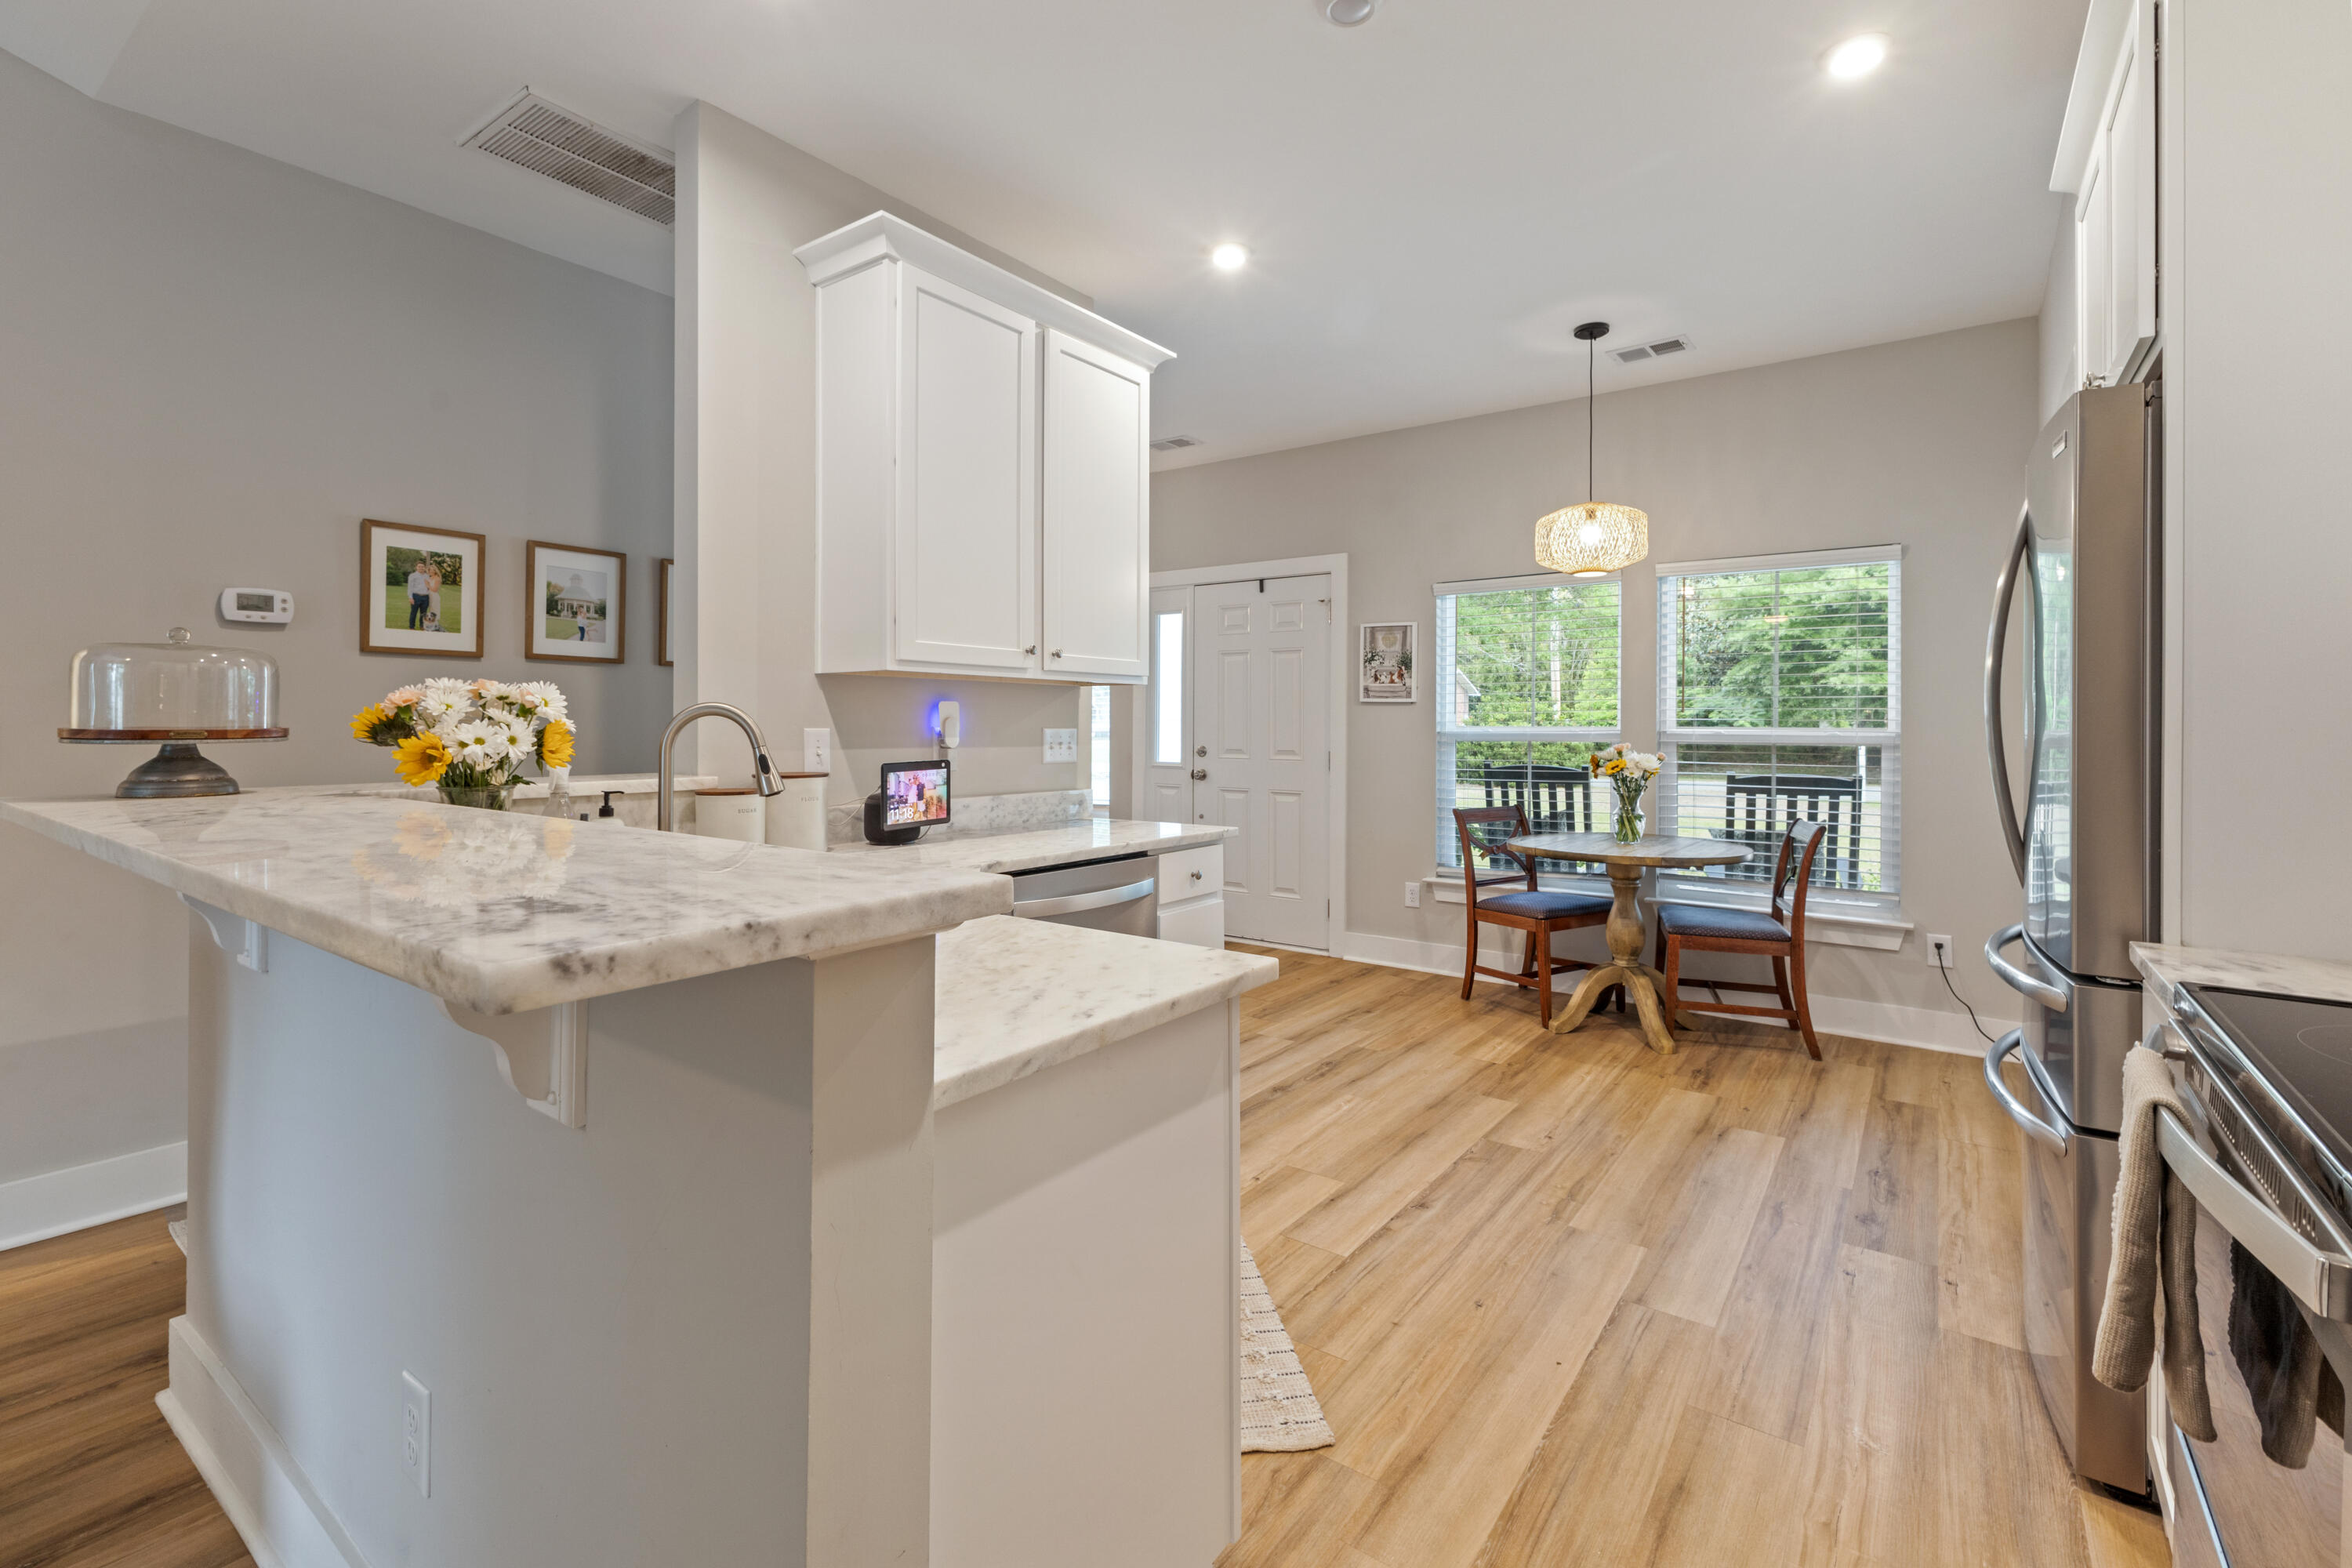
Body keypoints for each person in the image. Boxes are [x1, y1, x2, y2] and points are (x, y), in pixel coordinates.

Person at [405, 560, 433, 629]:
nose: (421, 568)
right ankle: (412, 627)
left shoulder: (427, 576)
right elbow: (410, 588)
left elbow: (429, 587)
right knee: (413, 613)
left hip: (425, 597)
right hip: (416, 596)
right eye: (419, 567)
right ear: (416, 567)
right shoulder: (412, 576)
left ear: (424, 568)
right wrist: (410, 597)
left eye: (422, 567)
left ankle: (422, 626)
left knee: (423, 614)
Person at [426, 562, 445, 633]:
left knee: (434, 611)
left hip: (434, 597)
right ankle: (431, 626)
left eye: (433, 570)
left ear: (435, 571)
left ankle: (435, 626)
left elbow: (434, 589)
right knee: (430, 611)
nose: (431, 571)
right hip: (429, 596)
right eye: (430, 570)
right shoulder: (429, 578)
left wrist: (427, 585)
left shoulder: (437, 578)